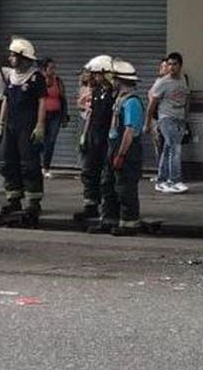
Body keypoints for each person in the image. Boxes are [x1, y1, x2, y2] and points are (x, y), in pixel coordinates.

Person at [0, 37, 47, 220]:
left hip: (28, 127)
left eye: (13, 55)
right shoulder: (11, 77)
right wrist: (0, 122)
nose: (10, 58)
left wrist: (40, 125)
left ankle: (33, 202)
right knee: (8, 162)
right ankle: (14, 198)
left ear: (23, 58)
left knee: (29, 164)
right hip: (11, 126)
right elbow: (6, 100)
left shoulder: (36, 77)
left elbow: (42, 102)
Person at [90, 59, 145, 237]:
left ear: (120, 80)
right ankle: (109, 220)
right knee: (108, 184)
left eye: (114, 78)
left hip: (127, 150)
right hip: (113, 146)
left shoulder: (132, 102)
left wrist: (121, 154)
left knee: (125, 187)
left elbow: (129, 131)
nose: (111, 81)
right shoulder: (119, 99)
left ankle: (129, 223)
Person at [74, 54, 114, 222]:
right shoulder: (97, 91)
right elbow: (91, 114)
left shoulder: (113, 94)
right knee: (89, 171)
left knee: (107, 175)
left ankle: (108, 208)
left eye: (97, 74)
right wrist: (85, 134)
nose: (94, 77)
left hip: (106, 138)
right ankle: (91, 205)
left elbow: (114, 118)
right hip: (93, 135)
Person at [147, 52, 190, 194]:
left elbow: (187, 98)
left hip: (179, 118)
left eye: (174, 64)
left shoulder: (183, 79)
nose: (171, 67)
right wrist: (148, 123)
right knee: (175, 148)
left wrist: (186, 118)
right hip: (166, 118)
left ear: (180, 65)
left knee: (167, 150)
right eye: (169, 64)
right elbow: (152, 103)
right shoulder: (162, 82)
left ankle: (162, 180)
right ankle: (174, 180)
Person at [40, 58, 69, 179]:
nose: (53, 70)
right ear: (44, 69)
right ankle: (38, 166)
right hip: (42, 115)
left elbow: (63, 99)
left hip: (55, 115)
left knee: (50, 141)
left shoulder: (58, 81)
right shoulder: (39, 81)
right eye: (50, 68)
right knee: (39, 141)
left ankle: (46, 167)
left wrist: (64, 116)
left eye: (54, 68)